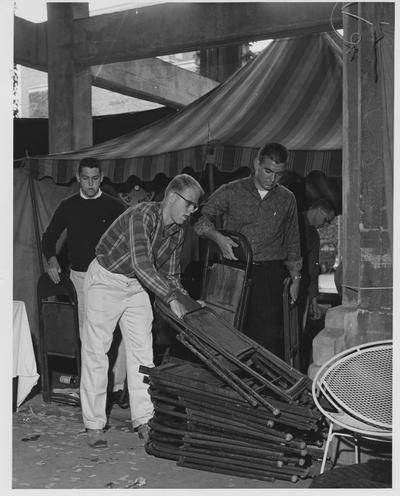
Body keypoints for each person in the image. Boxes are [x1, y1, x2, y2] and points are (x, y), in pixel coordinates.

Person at [80, 173, 204, 448]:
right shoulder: (142, 216)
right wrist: (170, 297)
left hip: (136, 286)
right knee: (97, 351)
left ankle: (145, 419)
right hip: (106, 280)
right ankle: (94, 423)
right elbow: (143, 263)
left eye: (195, 207)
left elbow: (171, 276)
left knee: (143, 353)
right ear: (172, 197)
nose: (192, 211)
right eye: (189, 204)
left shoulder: (177, 232)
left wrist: (189, 303)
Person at [194, 142, 302, 359]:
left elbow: (292, 240)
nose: (273, 179)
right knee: (226, 334)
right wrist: (217, 237)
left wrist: (296, 278)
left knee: (267, 340)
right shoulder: (231, 191)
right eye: (268, 171)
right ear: (256, 164)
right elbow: (199, 219)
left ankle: (263, 390)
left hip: (269, 277)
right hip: (233, 271)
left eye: (279, 174)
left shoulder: (287, 198)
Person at [41, 157, 128, 404]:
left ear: (101, 178)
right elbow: (49, 237)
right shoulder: (68, 206)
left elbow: (129, 238)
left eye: (95, 178)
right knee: (87, 335)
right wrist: (52, 259)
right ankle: (93, 391)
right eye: (85, 178)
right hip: (80, 277)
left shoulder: (114, 206)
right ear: (78, 178)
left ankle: (116, 387)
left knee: (115, 331)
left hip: (110, 276)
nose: (90, 183)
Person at [297, 198, 336, 326]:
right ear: (319, 211)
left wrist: (313, 300)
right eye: (326, 220)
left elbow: (312, 270)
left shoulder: (314, 237)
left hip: (300, 289)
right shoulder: (292, 219)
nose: (326, 225)